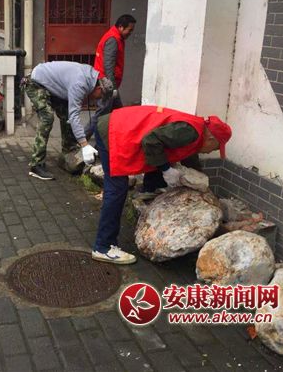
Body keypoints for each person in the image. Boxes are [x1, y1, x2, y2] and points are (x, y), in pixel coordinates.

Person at [91, 105, 232, 264]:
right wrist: (166, 170)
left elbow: (189, 160)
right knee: (117, 189)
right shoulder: (190, 132)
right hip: (113, 131)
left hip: (117, 125)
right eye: (216, 147)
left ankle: (148, 194)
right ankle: (103, 247)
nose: (211, 152)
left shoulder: (196, 131)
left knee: (153, 167)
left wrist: (201, 186)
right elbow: (151, 141)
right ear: (211, 138)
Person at [24, 61, 106, 181]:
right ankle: (36, 165)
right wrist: (84, 144)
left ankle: (67, 156)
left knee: (66, 115)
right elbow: (74, 116)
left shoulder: (91, 77)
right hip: (35, 82)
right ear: (98, 88)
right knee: (47, 117)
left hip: (49, 85)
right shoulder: (80, 84)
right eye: (101, 96)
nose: (99, 99)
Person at [85, 14, 136, 139]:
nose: (131, 33)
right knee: (102, 113)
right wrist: (112, 88)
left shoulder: (116, 37)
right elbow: (108, 66)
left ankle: (121, 138)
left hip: (108, 83)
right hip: (106, 84)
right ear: (121, 27)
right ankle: (82, 139)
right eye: (130, 30)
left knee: (117, 113)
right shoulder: (113, 39)